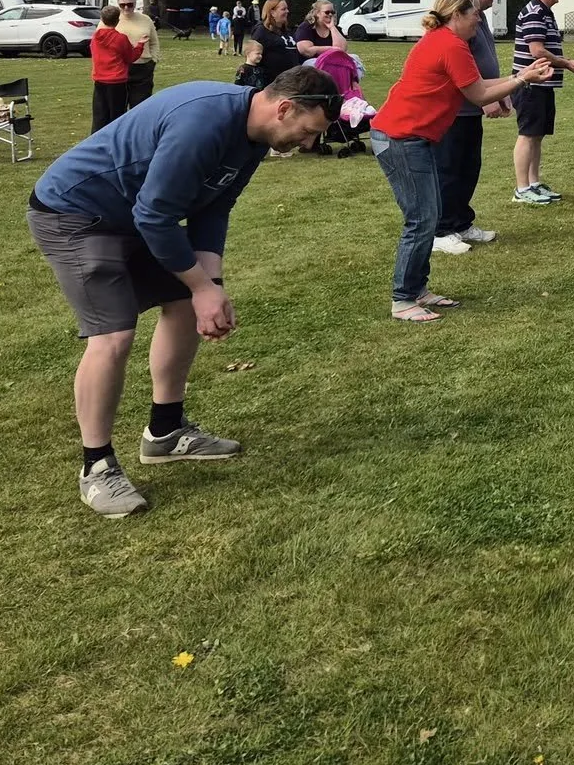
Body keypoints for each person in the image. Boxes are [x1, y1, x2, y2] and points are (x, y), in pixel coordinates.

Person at [28, 65, 340, 517]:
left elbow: (214, 209)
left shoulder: (254, 137)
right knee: (113, 335)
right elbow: (155, 215)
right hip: (76, 213)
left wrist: (210, 288)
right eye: (308, 131)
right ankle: (96, 467)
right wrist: (200, 286)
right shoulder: (204, 120)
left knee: (183, 304)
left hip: (134, 215)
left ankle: (166, 432)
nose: (308, 143)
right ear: (284, 108)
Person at [372, 0, 555, 321]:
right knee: (421, 219)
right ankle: (403, 299)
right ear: (456, 14)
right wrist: (522, 79)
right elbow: (479, 95)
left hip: (409, 137)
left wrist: (520, 78)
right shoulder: (450, 44)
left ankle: (417, 289)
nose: (479, 20)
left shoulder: (445, 40)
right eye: (474, 14)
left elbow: (477, 84)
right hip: (400, 137)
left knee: (428, 216)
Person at [431, 0, 511, 255]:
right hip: (454, 110)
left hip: (471, 109)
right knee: (449, 170)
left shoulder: (478, 17)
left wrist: (501, 93)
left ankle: (461, 223)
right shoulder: (457, 23)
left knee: (469, 168)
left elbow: (484, 60)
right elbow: (460, 66)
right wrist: (485, 97)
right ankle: (440, 231)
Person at [510, 0, 574, 204]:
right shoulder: (535, 13)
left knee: (537, 135)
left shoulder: (545, 12)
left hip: (542, 85)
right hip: (530, 85)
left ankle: (533, 183)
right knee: (527, 135)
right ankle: (522, 188)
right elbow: (537, 51)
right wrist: (568, 64)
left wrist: (565, 64)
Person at [89, 4, 143, 133]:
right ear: (117, 20)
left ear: (102, 19)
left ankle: (96, 139)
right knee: (117, 115)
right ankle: (115, 138)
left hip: (100, 80)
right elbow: (130, 57)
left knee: (100, 115)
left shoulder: (95, 37)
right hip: (117, 81)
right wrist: (140, 45)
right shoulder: (120, 38)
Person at [114, 0, 160, 110]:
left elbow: (154, 42)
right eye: (122, 5)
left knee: (140, 106)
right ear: (118, 4)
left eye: (130, 4)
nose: (126, 8)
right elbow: (100, 40)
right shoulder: (112, 19)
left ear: (135, 4)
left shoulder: (146, 19)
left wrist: (154, 59)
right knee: (118, 106)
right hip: (119, 68)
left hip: (143, 67)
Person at [243, 0, 302, 85]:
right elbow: (253, 55)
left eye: (287, 9)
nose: (287, 11)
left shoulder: (287, 31)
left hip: (293, 81)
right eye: (283, 9)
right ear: (272, 12)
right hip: (273, 83)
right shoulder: (261, 31)